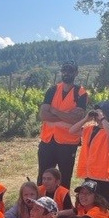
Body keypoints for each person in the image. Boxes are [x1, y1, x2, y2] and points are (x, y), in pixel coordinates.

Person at [37, 61, 88, 189]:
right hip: (48, 140)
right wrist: (66, 116)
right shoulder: (52, 90)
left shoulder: (81, 93)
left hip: (68, 143)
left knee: (64, 178)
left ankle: (63, 205)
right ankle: (40, 205)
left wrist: (54, 111)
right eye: (64, 70)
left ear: (76, 73)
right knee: (43, 176)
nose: (66, 73)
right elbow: (43, 115)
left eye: (70, 70)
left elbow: (76, 119)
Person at [69, 100, 109, 207]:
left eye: (101, 113)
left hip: (103, 176)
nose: (97, 117)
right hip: (90, 174)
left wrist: (102, 118)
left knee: (103, 205)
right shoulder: (90, 129)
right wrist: (86, 119)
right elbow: (72, 131)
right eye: (97, 114)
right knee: (90, 204)